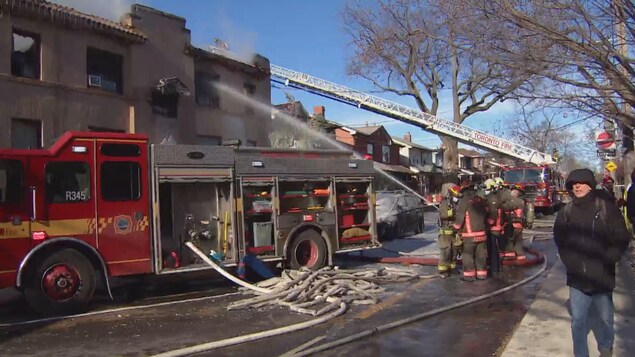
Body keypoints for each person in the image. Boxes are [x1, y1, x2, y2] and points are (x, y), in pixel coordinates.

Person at [554, 168, 630, 357]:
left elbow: (621, 237)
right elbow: (560, 241)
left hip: (601, 276)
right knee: (578, 322)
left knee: (605, 319)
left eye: (581, 183)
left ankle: (606, 348)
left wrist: (609, 259)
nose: (577, 186)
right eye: (573, 184)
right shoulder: (566, 212)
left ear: (590, 185)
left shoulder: (606, 208)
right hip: (577, 278)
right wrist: (570, 263)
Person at [453, 184, 489, 281]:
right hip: (482, 233)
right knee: (480, 255)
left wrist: (455, 229)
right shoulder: (480, 200)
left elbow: (460, 217)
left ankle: (469, 276)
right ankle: (482, 274)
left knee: (467, 255)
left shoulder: (464, 201)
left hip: (469, 235)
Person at [437, 185, 461, 278]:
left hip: (454, 232)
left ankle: (452, 269)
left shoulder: (456, 203)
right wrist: (452, 212)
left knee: (454, 252)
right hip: (445, 233)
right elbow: (443, 215)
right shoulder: (445, 203)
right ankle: (443, 271)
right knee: (446, 252)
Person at [502, 184, 528, 260]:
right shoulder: (522, 202)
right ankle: (521, 259)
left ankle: (510, 261)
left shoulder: (508, 202)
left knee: (509, 244)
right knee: (518, 244)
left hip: (510, 225)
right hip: (519, 225)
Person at [483, 178, 504, 275]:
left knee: (493, 250)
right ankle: (495, 267)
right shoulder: (495, 197)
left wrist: (487, 224)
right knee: (492, 249)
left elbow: (493, 215)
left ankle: (495, 269)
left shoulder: (493, 199)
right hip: (495, 228)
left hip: (493, 229)